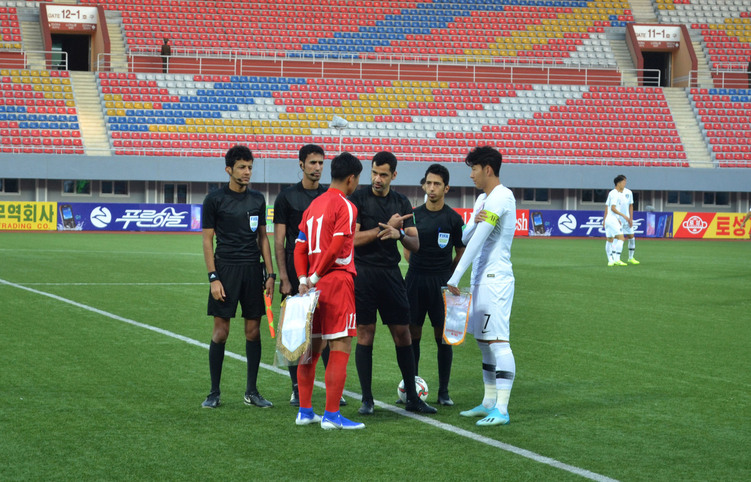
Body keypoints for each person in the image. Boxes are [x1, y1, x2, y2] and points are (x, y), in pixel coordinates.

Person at [349, 151, 437, 415]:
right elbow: (351, 240)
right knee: (366, 334)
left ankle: (412, 397)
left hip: (390, 274)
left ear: (393, 175)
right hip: (364, 273)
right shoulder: (357, 200)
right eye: (374, 172)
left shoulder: (401, 202)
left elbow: (415, 243)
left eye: (383, 174)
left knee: (403, 333)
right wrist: (383, 229)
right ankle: (367, 399)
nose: (377, 178)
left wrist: (398, 234)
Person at [293, 151, 364, 430]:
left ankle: (305, 411)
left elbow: (299, 246)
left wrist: (304, 278)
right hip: (336, 281)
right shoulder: (346, 206)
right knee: (341, 344)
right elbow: (336, 247)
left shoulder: (312, 207)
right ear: (351, 178)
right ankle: (332, 415)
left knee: (310, 348)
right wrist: (316, 275)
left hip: (312, 287)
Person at [200, 145, 275, 409]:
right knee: (221, 332)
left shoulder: (257, 199)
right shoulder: (214, 200)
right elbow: (208, 241)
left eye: (250, 167)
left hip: (253, 271)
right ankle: (214, 392)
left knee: (253, 332)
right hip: (226, 270)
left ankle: (252, 392)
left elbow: (263, 237)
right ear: (228, 169)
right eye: (242, 167)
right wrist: (213, 278)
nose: (247, 172)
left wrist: (270, 273)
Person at [446, 146, 516, 427]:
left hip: (496, 280)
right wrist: (472, 225)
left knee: (499, 342)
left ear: (488, 169)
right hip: (480, 280)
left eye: (474, 169)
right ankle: (488, 402)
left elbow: (479, 238)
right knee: (484, 342)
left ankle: (502, 408)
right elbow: (465, 235)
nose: (471, 174)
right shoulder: (482, 200)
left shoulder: (502, 196)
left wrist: (455, 276)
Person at [273, 144, 346, 407]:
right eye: (312, 163)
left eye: (321, 163)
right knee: (299, 334)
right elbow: (281, 242)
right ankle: (296, 388)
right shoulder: (286, 197)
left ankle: (331, 390)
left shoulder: (330, 197)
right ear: (301, 164)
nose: (317, 168)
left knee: (326, 332)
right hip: (298, 277)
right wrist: (285, 278)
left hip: (325, 276)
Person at [403, 164, 465, 406]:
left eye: (437, 183)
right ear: (423, 185)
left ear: (446, 188)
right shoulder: (414, 215)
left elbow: (461, 251)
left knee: (443, 337)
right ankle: (412, 389)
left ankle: (444, 392)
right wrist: (418, 267)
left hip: (441, 283)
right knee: (412, 335)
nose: (431, 188)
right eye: (428, 183)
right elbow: (407, 247)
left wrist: (448, 276)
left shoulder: (453, 218)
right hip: (415, 280)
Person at [603, 175, 630, 267]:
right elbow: (613, 208)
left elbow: (607, 207)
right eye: (624, 182)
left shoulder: (614, 193)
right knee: (621, 238)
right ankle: (617, 259)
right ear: (618, 183)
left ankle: (610, 260)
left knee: (610, 239)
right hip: (612, 219)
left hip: (610, 219)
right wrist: (623, 216)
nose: (625, 184)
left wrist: (606, 219)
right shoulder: (615, 194)